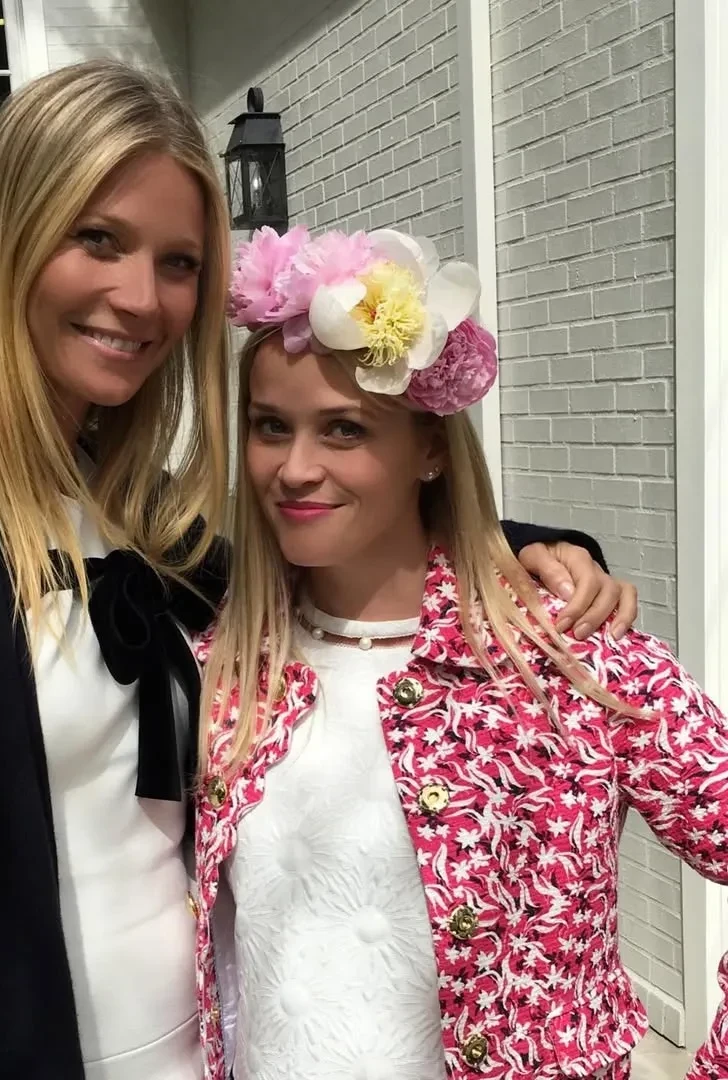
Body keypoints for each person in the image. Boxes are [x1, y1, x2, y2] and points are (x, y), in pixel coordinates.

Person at [0, 62, 637, 1080]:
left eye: (179, 262)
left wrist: (528, 548)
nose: (140, 297)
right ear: (10, 237)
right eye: (97, 239)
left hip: (215, 1048)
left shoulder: (139, 515)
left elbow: (334, 560)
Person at [190, 226, 728, 1080]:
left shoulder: (567, 662)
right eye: (269, 426)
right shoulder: (221, 669)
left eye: (343, 430)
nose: (294, 468)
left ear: (431, 449)